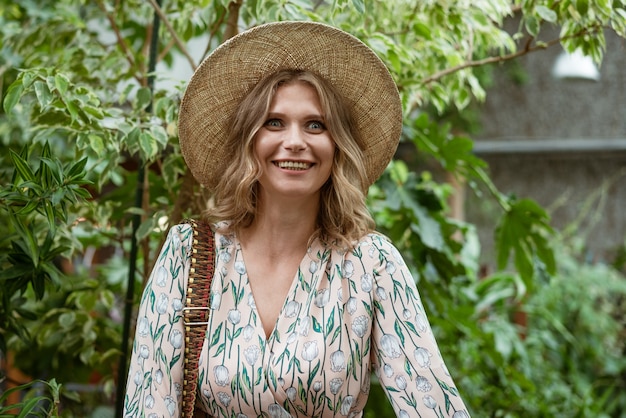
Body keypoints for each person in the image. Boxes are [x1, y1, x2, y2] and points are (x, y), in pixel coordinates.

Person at [123, 21, 470, 417]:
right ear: (248, 140)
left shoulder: (371, 265)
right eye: (274, 122)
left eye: (315, 125)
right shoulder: (188, 255)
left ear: (337, 146)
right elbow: (148, 406)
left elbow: (434, 406)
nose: (295, 141)